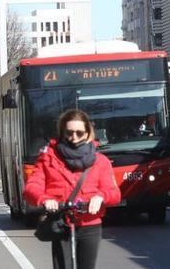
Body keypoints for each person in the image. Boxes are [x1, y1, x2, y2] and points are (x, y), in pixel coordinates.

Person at [23, 110, 122, 269]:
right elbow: (31, 187)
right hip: (61, 222)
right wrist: (44, 199)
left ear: (88, 133)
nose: (74, 137)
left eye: (79, 132)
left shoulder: (100, 161)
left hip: (89, 223)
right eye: (69, 132)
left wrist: (100, 197)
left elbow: (114, 193)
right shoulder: (48, 158)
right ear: (62, 132)